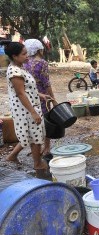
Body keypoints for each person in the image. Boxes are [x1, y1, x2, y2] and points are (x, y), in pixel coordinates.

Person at [2, 41, 47, 173]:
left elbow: (26, 88)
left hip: (28, 107)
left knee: (31, 135)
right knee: (35, 137)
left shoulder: (20, 67)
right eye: (24, 54)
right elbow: (20, 93)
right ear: (15, 56)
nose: (27, 56)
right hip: (25, 110)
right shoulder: (15, 71)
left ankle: (12, 156)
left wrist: (40, 95)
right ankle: (37, 164)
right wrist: (33, 112)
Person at [23, 39, 57, 156]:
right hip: (42, 97)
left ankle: (36, 149)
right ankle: (46, 147)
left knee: (33, 123)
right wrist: (53, 100)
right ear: (39, 50)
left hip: (29, 97)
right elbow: (46, 83)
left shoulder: (24, 63)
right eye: (42, 48)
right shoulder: (42, 63)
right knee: (46, 121)